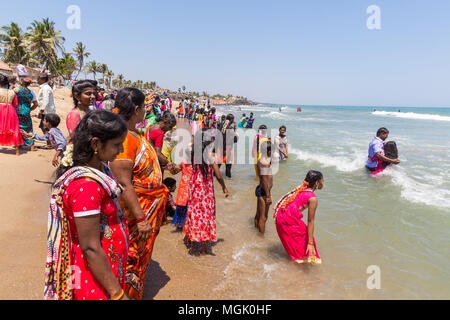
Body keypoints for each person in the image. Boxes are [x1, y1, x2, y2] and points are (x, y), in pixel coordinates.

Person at [44, 110, 130, 300]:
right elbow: (90, 247)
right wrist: (117, 293)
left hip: (104, 269)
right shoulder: (86, 186)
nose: (121, 150)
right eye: (117, 145)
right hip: (93, 276)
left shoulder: (100, 170)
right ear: (96, 144)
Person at [109, 87, 168, 300]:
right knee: (130, 257)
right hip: (136, 213)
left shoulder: (135, 134)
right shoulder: (125, 137)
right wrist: (142, 219)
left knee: (138, 257)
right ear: (136, 109)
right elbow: (123, 182)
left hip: (145, 208)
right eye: (143, 107)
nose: (145, 111)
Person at [183, 130, 229, 255]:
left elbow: (185, 166)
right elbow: (218, 174)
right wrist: (224, 187)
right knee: (207, 215)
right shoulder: (209, 155)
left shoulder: (193, 153)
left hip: (194, 188)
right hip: (206, 190)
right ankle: (204, 249)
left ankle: (190, 240)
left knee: (193, 212)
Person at [273, 171, 324, 264]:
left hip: (280, 216)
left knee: (297, 246)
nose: (323, 183)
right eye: (322, 180)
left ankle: (294, 264)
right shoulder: (313, 199)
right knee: (307, 242)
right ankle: (297, 272)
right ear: (316, 183)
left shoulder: (301, 189)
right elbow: (310, 221)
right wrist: (310, 243)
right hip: (287, 219)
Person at [254, 140, 273, 235]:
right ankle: (261, 238)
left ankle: (256, 231)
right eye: (271, 151)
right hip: (265, 191)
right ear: (267, 151)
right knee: (263, 217)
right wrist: (268, 195)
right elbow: (265, 180)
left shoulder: (260, 160)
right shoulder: (265, 163)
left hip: (260, 189)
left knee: (258, 214)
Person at [0, 73, 22, 155]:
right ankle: (17, 151)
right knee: (14, 129)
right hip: (10, 111)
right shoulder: (12, 92)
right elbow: (16, 104)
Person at [16, 78, 38, 151]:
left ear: (21, 82)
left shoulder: (17, 90)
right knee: (28, 128)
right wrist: (29, 109)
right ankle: (32, 146)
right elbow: (35, 104)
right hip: (27, 112)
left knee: (18, 128)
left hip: (17, 111)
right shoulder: (31, 92)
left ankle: (19, 145)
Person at [171, 160, 192, 231]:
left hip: (192, 190)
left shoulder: (199, 165)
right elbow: (173, 172)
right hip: (184, 189)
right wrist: (172, 167)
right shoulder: (184, 163)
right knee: (183, 207)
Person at [216, 114, 238, 178]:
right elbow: (235, 140)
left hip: (220, 149)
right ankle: (229, 184)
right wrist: (235, 130)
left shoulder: (221, 126)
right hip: (228, 150)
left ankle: (215, 180)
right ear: (231, 120)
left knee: (217, 167)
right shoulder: (230, 129)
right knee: (228, 169)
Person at [37, 74, 56, 147]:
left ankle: (49, 144)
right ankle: (50, 143)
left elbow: (45, 100)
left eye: (38, 79)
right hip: (48, 111)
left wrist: (41, 111)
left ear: (42, 80)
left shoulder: (45, 88)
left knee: (45, 128)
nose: (37, 80)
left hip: (47, 111)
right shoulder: (45, 87)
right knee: (46, 128)